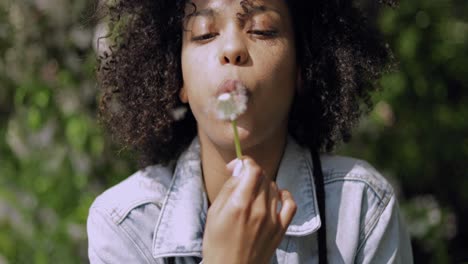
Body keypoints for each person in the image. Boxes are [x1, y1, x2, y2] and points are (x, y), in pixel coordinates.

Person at [87, 0, 413, 263]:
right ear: (179, 78)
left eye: (262, 30)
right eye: (204, 33)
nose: (232, 48)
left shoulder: (361, 209)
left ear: (303, 67)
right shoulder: (124, 224)